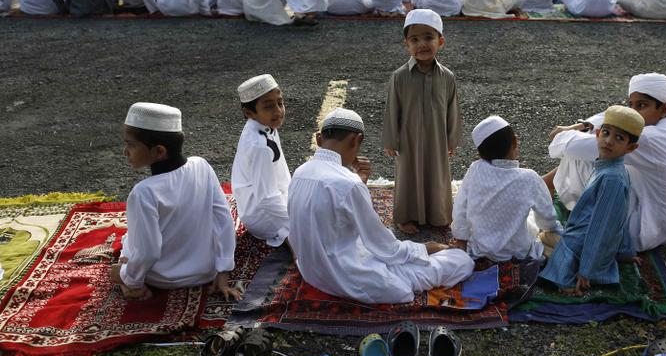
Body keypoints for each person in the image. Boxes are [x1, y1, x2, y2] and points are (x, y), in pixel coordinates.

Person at [288, 108, 474, 304]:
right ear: (356, 140)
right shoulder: (348, 183)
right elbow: (386, 249)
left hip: (311, 272)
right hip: (343, 276)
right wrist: (426, 248)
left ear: (319, 140)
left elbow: (334, 214)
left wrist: (360, 181)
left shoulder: (300, 172)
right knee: (461, 262)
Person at [545, 73, 666, 252]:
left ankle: (552, 190)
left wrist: (567, 132)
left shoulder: (649, 138)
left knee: (590, 156)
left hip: (642, 231)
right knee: (607, 151)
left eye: (642, 105)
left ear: (663, 109)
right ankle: (547, 183)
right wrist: (582, 125)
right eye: (632, 105)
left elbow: (568, 145)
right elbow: (617, 116)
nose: (634, 112)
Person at [110, 103, 239, 301]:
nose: (125, 151)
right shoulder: (201, 166)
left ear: (159, 151)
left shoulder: (143, 193)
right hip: (207, 270)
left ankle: (131, 287)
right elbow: (223, 219)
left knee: (123, 256)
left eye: (131, 144)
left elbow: (148, 251)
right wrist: (223, 271)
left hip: (164, 278)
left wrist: (129, 278)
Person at [540, 106, 645, 294]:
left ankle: (569, 277)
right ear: (597, 133)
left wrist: (586, 271)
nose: (609, 141)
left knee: (538, 242)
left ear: (631, 147)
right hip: (589, 238)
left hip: (583, 242)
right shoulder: (610, 167)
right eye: (606, 133)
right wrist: (625, 252)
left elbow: (603, 227)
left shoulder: (611, 177)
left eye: (619, 138)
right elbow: (619, 218)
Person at [382, 9, 462, 234]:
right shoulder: (400, 76)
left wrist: (451, 139)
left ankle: (439, 215)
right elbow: (392, 109)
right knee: (409, 174)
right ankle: (405, 216)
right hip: (408, 139)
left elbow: (452, 108)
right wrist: (390, 140)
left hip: (437, 138)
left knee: (437, 175)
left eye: (429, 37)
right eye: (414, 40)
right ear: (406, 45)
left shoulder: (447, 77)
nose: (422, 45)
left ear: (441, 41)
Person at [451, 116, 559, 262]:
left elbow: (460, 209)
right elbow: (547, 220)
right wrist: (553, 228)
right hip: (517, 252)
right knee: (533, 222)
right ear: (515, 142)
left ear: (481, 154)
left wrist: (461, 238)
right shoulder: (530, 178)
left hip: (479, 250)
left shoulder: (475, 169)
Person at [232, 74, 291, 247]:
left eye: (280, 103)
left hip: (271, 200)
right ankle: (290, 239)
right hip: (262, 216)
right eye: (269, 107)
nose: (278, 111)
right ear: (249, 112)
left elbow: (280, 172)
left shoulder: (265, 125)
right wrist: (296, 218)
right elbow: (266, 199)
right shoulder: (259, 146)